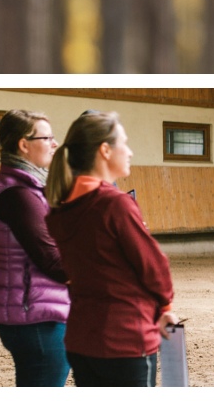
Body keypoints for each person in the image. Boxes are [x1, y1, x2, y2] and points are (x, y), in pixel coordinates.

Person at [44, 111, 178, 387]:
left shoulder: (60, 211)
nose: (129, 151)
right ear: (104, 150)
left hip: (82, 340)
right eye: (124, 143)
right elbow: (154, 265)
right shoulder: (115, 204)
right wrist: (165, 305)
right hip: (125, 339)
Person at [0, 110, 70, 386]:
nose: (55, 144)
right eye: (48, 137)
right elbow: (52, 260)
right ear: (24, 144)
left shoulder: (30, 189)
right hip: (34, 318)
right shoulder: (19, 195)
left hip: (37, 311)